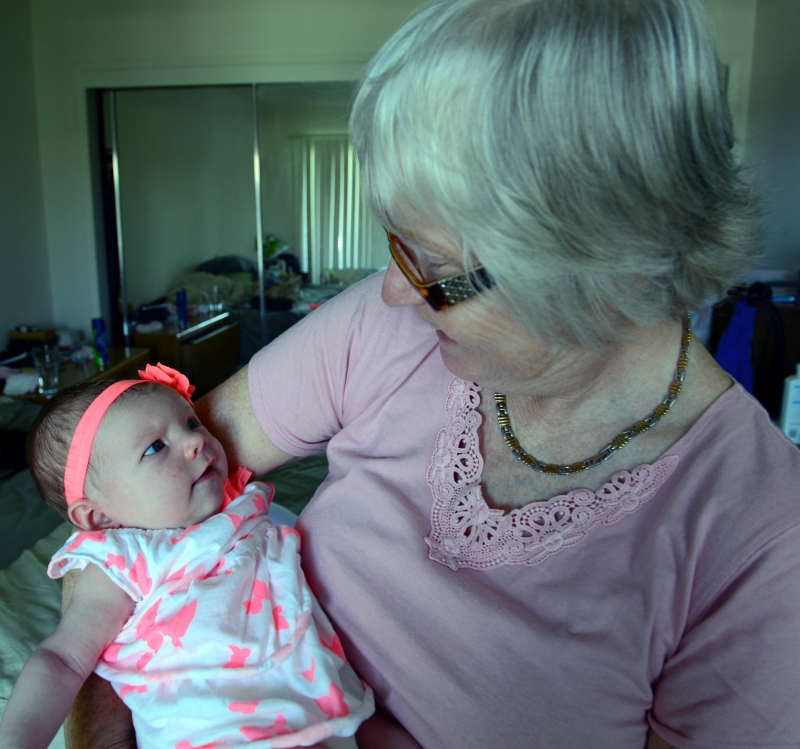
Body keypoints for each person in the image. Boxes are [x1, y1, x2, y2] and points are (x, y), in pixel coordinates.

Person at [64, 0, 800, 747]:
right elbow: (123, 510)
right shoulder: (384, 326)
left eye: (436, 265)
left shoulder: (760, 534)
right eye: (400, 244)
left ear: (594, 264)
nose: (392, 291)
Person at [0, 365, 373, 749]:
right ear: (98, 517)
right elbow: (62, 660)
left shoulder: (240, 510)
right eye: (155, 447)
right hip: (214, 731)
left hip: (323, 709)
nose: (195, 441)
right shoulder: (125, 558)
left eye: (192, 423)